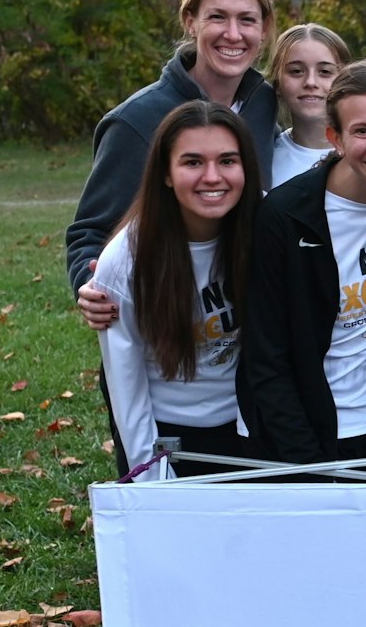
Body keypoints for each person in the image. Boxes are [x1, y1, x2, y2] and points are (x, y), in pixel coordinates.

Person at [238, 59, 366, 471]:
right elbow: (265, 358)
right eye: (363, 131)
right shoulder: (286, 217)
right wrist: (307, 464)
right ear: (335, 139)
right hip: (307, 435)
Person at [68, 0, 278, 295]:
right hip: (169, 313)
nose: (233, 34)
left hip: (243, 311)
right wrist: (87, 284)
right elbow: (90, 233)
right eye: (217, 17)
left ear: (264, 29)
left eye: (247, 20)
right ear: (190, 22)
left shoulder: (264, 103)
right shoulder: (135, 121)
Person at [94, 101, 262, 478]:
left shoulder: (265, 228)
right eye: (192, 162)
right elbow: (126, 390)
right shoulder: (124, 260)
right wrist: (153, 478)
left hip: (249, 425)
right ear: (165, 174)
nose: (212, 176)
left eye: (227, 161)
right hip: (169, 438)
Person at [269, 23, 353, 187]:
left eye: (325, 72)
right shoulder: (265, 157)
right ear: (278, 83)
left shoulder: (365, 152)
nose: (310, 82)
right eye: (296, 71)